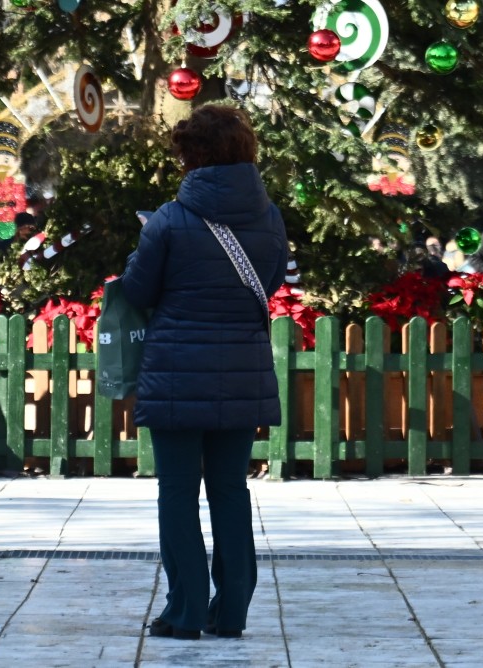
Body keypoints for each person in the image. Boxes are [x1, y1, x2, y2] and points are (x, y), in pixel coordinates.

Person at [122, 105, 288, 640]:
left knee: (177, 492)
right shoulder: (270, 218)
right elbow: (273, 280)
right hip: (242, 369)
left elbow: (139, 292)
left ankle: (185, 612)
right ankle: (232, 611)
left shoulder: (169, 219)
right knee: (230, 491)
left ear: (191, 156)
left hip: (176, 372)